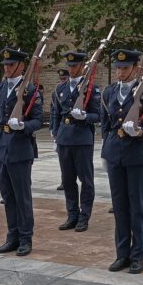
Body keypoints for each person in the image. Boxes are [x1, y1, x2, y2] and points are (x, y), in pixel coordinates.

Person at [101, 49, 143, 272]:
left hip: (136, 155)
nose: (120, 72)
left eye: (125, 68)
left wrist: (141, 133)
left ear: (136, 68)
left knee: (137, 207)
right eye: (118, 68)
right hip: (115, 154)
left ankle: (137, 256)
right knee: (120, 206)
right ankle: (121, 253)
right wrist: (106, 151)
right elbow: (106, 126)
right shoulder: (109, 92)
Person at [0, 47, 44, 257]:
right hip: (2, 148)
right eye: (5, 65)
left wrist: (23, 126)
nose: (7, 68)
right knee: (7, 196)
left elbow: (38, 120)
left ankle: (25, 237)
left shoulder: (30, 90)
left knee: (22, 197)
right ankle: (12, 235)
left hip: (21, 148)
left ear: (21, 66)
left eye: (11, 64)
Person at [50, 49, 100, 232]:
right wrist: (55, 134)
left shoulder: (90, 88)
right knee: (67, 179)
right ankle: (72, 214)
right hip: (64, 138)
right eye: (69, 66)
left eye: (74, 66)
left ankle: (84, 216)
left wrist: (85, 116)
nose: (71, 69)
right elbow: (56, 113)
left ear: (82, 66)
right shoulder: (60, 89)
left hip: (82, 138)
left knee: (86, 180)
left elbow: (98, 115)